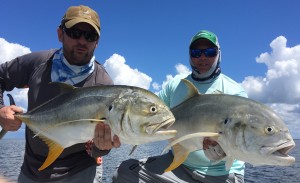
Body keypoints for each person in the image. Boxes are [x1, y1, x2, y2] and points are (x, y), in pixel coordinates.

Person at [0, 5, 121, 183]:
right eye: (75, 32)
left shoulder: (103, 85)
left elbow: (97, 149)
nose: (82, 40)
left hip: (81, 171)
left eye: (90, 36)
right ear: (60, 34)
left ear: (97, 41)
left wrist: (102, 148)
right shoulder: (37, 63)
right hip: (32, 169)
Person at [112, 30, 247, 183]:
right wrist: (122, 130)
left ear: (219, 53)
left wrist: (225, 152)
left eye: (209, 52)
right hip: (179, 166)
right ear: (190, 55)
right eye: (196, 52)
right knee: (124, 173)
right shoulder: (176, 84)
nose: (202, 57)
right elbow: (150, 112)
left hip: (220, 175)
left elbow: (247, 141)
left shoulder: (235, 92)